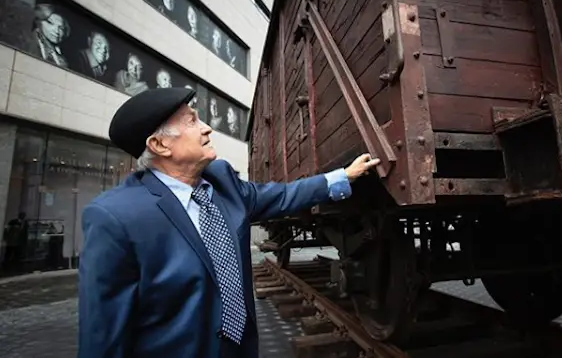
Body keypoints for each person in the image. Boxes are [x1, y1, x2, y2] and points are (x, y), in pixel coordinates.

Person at [77, 87, 381, 358]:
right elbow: (103, 336)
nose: (207, 128)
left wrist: (343, 177)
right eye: (193, 121)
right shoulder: (114, 218)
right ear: (159, 145)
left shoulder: (222, 182)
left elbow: (282, 196)